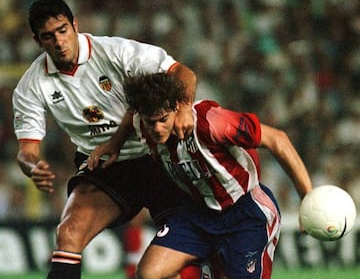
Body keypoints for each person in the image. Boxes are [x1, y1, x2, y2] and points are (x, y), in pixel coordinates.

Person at [12, 0, 211, 279]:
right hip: (105, 164)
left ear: (75, 25)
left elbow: (182, 73)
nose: (58, 41)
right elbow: (27, 151)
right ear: (37, 40)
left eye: (62, 30)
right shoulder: (31, 85)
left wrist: (182, 109)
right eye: (48, 36)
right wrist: (33, 167)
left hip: (158, 155)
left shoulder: (115, 52)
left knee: (179, 255)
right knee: (68, 233)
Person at [119, 72, 313, 278]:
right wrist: (113, 144)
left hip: (245, 213)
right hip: (197, 214)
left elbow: (277, 139)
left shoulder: (211, 122)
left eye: (163, 120)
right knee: (149, 273)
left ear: (177, 108)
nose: (156, 129)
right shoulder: (142, 125)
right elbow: (131, 118)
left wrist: (307, 198)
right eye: (151, 122)